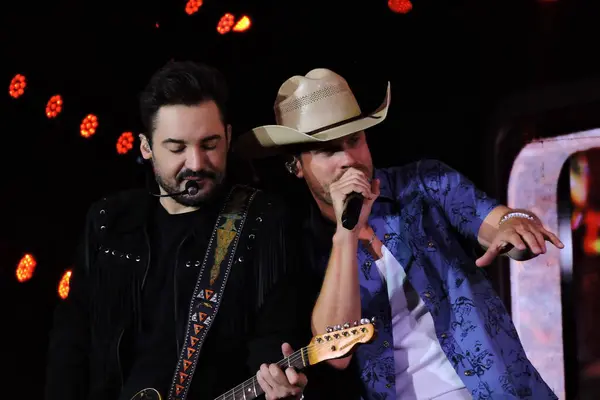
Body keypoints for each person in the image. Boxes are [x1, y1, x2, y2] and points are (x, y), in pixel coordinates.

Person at [233, 68, 565, 399]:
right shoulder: (299, 247)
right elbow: (337, 353)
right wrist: (346, 233)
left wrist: (514, 224)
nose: (349, 159)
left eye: (355, 140)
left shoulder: (422, 183)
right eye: (329, 150)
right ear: (296, 166)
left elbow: (494, 219)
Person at [44, 60, 308, 400]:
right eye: (177, 148)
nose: (196, 163)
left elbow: (273, 341)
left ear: (228, 136)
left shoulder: (263, 219)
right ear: (146, 147)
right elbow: (71, 343)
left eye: (209, 144)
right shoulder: (109, 220)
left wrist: (280, 386)